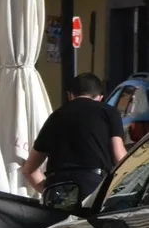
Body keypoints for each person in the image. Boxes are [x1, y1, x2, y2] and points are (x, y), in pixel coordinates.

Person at [22, 73, 127, 203]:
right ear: (100, 97)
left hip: (58, 186)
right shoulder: (108, 112)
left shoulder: (55, 116)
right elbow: (119, 156)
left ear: (70, 95)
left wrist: (49, 192)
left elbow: (29, 170)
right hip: (93, 186)